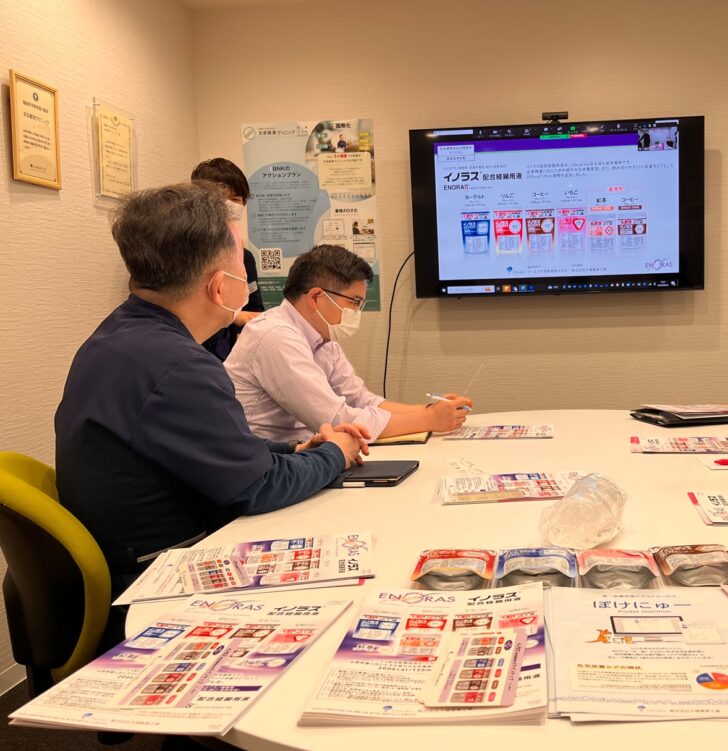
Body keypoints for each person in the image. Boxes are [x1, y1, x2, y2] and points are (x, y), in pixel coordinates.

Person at [55, 183, 369, 597]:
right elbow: (258, 488)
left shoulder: (119, 337)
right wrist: (336, 453)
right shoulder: (178, 365)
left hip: (133, 555)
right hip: (159, 578)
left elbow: (210, 449)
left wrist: (295, 451)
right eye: (243, 262)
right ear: (221, 287)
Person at [226, 244, 473, 442]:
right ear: (315, 297)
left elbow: (362, 400)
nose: (357, 312)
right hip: (267, 464)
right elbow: (336, 419)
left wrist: (428, 410)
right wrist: (429, 419)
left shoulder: (322, 339)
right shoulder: (276, 336)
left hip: (299, 454)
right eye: (354, 302)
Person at [190, 157, 265, 361]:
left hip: (228, 355)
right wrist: (235, 316)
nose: (229, 205)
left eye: (236, 199)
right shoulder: (184, 252)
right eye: (221, 198)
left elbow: (254, 308)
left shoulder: (245, 256)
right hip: (190, 352)